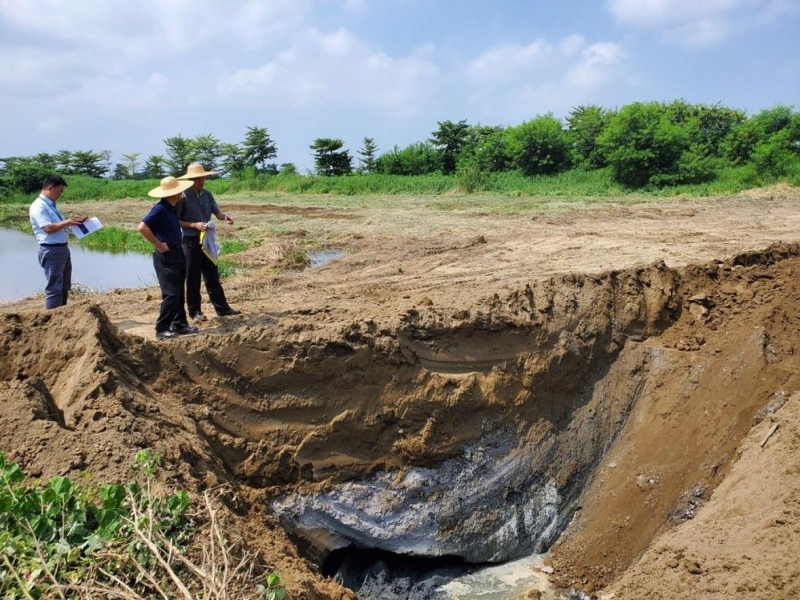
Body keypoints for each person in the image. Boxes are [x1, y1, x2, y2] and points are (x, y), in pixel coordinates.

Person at [177, 163, 240, 321]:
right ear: (190, 179)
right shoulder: (183, 196)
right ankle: (195, 311)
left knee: (212, 274)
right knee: (193, 277)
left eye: (203, 178)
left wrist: (225, 217)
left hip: (206, 239)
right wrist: (193, 225)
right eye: (197, 178)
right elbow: (176, 220)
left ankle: (222, 309)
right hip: (190, 239)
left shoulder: (207, 195)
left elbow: (216, 212)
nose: (201, 181)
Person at [138, 176, 199, 340]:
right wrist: (159, 244)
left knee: (179, 291)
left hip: (177, 251)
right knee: (171, 294)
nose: (182, 194)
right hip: (166, 253)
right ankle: (162, 328)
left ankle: (180, 324)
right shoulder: (160, 208)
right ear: (174, 193)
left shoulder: (172, 207)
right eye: (180, 192)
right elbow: (142, 227)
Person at [29, 175, 87, 309]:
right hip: (51, 250)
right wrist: (68, 221)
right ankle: (53, 319)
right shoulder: (39, 206)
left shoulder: (51, 205)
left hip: (61, 249)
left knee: (64, 286)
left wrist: (75, 222)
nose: (60, 195)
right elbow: (48, 228)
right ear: (50, 188)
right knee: (54, 288)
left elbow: (58, 225)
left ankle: (62, 315)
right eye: (59, 191)